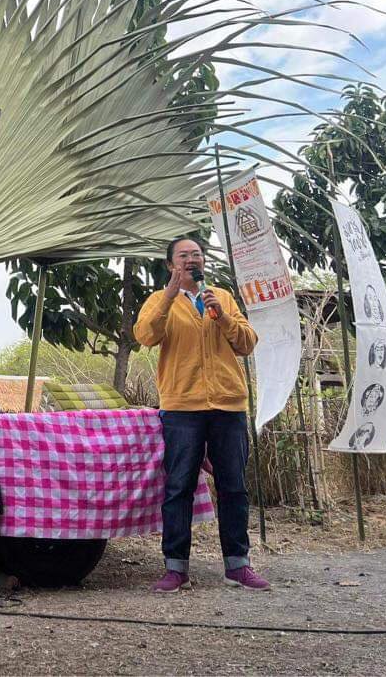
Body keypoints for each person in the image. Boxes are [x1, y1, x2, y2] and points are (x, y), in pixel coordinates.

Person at [134, 236, 269, 592]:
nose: (192, 259)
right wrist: (169, 294)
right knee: (179, 487)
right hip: (182, 408)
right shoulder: (157, 301)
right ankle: (175, 568)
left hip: (228, 405)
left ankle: (237, 565)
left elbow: (247, 343)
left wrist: (222, 316)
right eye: (183, 256)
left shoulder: (221, 297)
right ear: (170, 264)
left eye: (196, 254)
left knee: (233, 487)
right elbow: (146, 335)